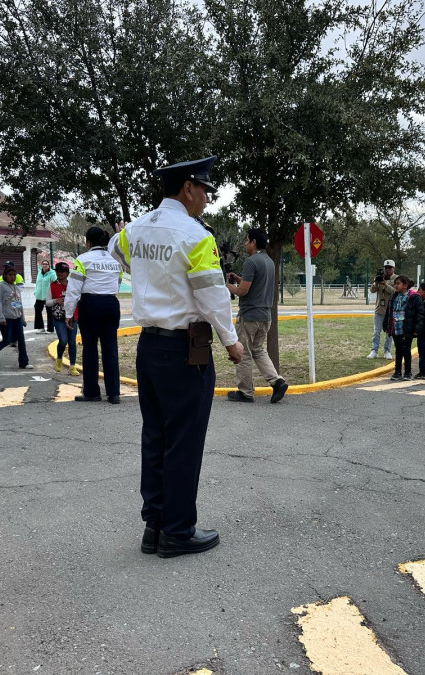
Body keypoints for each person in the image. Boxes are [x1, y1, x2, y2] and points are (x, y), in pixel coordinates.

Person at [109, 155, 243, 559]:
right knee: (183, 441)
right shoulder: (195, 235)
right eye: (203, 190)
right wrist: (231, 340)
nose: (205, 198)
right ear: (188, 188)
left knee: (156, 435)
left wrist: (151, 278)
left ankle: (155, 525)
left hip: (149, 347)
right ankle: (179, 531)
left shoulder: (135, 229)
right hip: (186, 351)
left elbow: (118, 252)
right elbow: (212, 294)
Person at [225, 228, 288, 403]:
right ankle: (277, 381)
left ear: (253, 242)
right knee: (259, 350)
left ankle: (245, 392)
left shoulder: (251, 262)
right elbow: (256, 284)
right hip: (265, 316)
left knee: (244, 353)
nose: (245, 243)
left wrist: (230, 287)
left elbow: (243, 291)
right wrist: (239, 278)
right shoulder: (269, 262)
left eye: (246, 240)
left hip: (249, 316)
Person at [64, 227, 122, 402]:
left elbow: (74, 289)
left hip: (90, 304)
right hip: (111, 304)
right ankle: (114, 393)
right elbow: (118, 282)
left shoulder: (82, 259)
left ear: (88, 242)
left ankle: (92, 392)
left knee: (90, 348)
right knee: (110, 348)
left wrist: (68, 313)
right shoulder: (116, 260)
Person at [0, 266, 33, 371]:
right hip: (6, 318)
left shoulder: (16, 287)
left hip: (17, 318)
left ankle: (24, 362)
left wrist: (22, 318)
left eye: (14, 275)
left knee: (21, 340)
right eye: (10, 275)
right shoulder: (0, 287)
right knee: (7, 340)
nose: (12, 277)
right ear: (5, 275)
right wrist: (1, 318)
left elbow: (19, 304)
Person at [382, 275, 422, 381]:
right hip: (396, 328)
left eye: (398, 283)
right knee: (398, 350)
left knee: (406, 350)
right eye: (395, 283)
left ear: (405, 285)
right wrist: (386, 325)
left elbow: (419, 314)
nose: (396, 285)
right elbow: (389, 312)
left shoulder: (414, 297)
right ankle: (397, 372)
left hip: (407, 328)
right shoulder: (393, 296)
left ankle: (408, 372)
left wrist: (417, 329)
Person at [46, 262, 80, 375]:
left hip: (72, 317)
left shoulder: (73, 285)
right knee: (63, 340)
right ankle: (59, 358)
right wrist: (56, 300)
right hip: (59, 317)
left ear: (67, 273)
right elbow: (47, 302)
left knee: (72, 342)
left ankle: (72, 366)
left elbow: (78, 299)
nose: (59, 273)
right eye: (58, 271)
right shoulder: (52, 285)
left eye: (62, 271)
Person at [368, 260, 395, 359]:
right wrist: (376, 282)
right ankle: (374, 350)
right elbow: (372, 290)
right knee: (376, 331)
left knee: (389, 332)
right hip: (379, 309)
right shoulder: (379, 277)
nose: (387, 269)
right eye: (386, 268)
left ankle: (387, 351)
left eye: (389, 268)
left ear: (393, 268)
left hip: (390, 310)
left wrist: (385, 284)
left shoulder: (396, 279)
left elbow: (395, 291)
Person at [33, 259, 57, 333]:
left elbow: (55, 284)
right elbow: (37, 283)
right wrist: (35, 291)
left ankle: (50, 329)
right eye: (43, 264)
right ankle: (40, 327)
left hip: (48, 296)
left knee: (49, 312)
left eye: (46, 264)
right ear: (41, 265)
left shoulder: (52, 273)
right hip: (39, 295)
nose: (45, 265)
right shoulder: (39, 273)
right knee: (37, 310)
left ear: (49, 265)